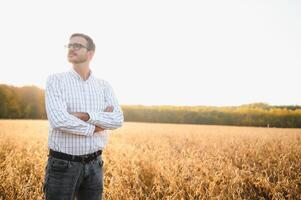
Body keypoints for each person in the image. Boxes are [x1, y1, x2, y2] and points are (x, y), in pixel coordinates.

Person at [43, 33, 124, 200]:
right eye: (69, 45)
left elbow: (117, 119)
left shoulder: (104, 85)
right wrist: (98, 126)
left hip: (96, 164)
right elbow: (59, 120)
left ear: (90, 54)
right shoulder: (56, 80)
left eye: (77, 45)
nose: (71, 48)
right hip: (63, 164)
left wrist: (85, 116)